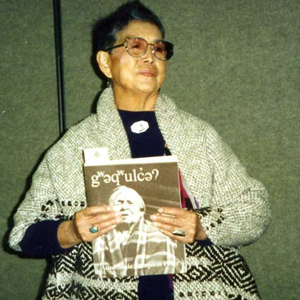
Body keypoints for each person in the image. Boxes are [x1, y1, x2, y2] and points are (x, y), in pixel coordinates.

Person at [9, 1, 271, 299]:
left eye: (158, 49)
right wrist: (72, 230)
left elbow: (255, 208)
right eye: (136, 46)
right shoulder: (74, 146)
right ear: (106, 62)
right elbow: (23, 235)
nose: (150, 56)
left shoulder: (199, 136)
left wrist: (202, 226)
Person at [93, 186, 185, 277]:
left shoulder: (157, 230)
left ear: (141, 210)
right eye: (119, 203)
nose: (124, 207)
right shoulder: (100, 234)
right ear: (110, 209)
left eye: (130, 203)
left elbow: (183, 233)